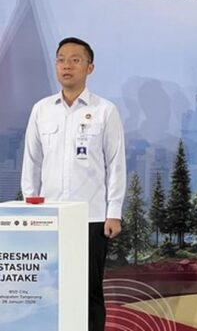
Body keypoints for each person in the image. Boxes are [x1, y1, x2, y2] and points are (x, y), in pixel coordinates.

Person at [21, 37, 126, 331]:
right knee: (49, 290)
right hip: (49, 217)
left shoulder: (105, 111)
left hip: (91, 217)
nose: (67, 65)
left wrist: (113, 212)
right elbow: (32, 161)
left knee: (89, 290)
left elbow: (115, 164)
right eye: (61, 59)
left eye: (75, 60)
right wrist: (31, 207)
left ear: (90, 67)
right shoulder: (41, 110)